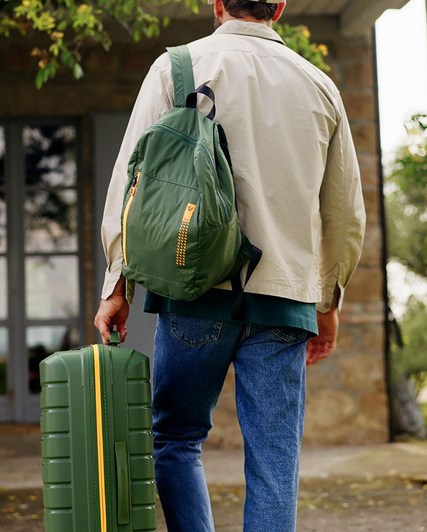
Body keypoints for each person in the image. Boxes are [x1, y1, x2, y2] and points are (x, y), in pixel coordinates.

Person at [95, 0, 366, 530]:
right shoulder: (320, 87)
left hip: (193, 288)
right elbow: (343, 214)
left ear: (218, 4)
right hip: (284, 303)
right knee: (274, 464)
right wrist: (329, 303)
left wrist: (116, 285)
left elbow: (131, 186)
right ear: (280, 8)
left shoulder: (177, 67)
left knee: (175, 437)